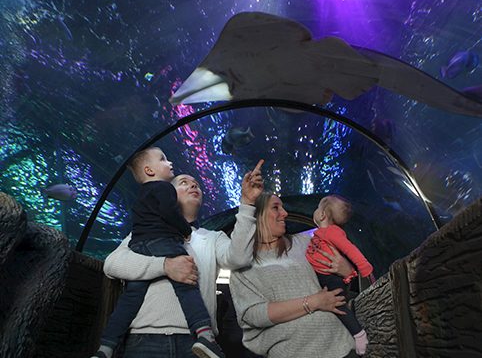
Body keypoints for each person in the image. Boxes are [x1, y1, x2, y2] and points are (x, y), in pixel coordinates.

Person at [99, 161, 264, 358]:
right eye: (184, 182)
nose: (193, 186)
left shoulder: (212, 237)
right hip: (144, 338)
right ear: (166, 194)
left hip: (198, 344)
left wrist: (247, 204)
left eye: (196, 184)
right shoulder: (144, 232)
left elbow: (240, 258)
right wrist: (165, 266)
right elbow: (112, 264)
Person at [93, 147, 222, 358]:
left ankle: (105, 348)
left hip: (140, 245)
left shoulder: (142, 196)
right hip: (163, 240)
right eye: (163, 159)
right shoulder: (163, 188)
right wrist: (184, 230)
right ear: (149, 170)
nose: (169, 162)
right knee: (188, 286)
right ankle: (205, 336)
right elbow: (169, 212)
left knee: (130, 299)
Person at [229, 192, 359, 358]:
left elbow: (339, 281)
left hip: (342, 347)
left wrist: (346, 270)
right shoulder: (242, 267)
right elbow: (254, 315)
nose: (284, 213)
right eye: (276, 208)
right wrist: (314, 302)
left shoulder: (305, 243)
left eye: (282, 207)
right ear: (257, 216)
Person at [306, 195, 374, 356]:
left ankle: (359, 335)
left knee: (338, 305)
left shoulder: (333, 232)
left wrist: (364, 268)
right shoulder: (321, 233)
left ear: (322, 214)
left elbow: (351, 250)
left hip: (333, 279)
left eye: (317, 207)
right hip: (325, 278)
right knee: (332, 306)